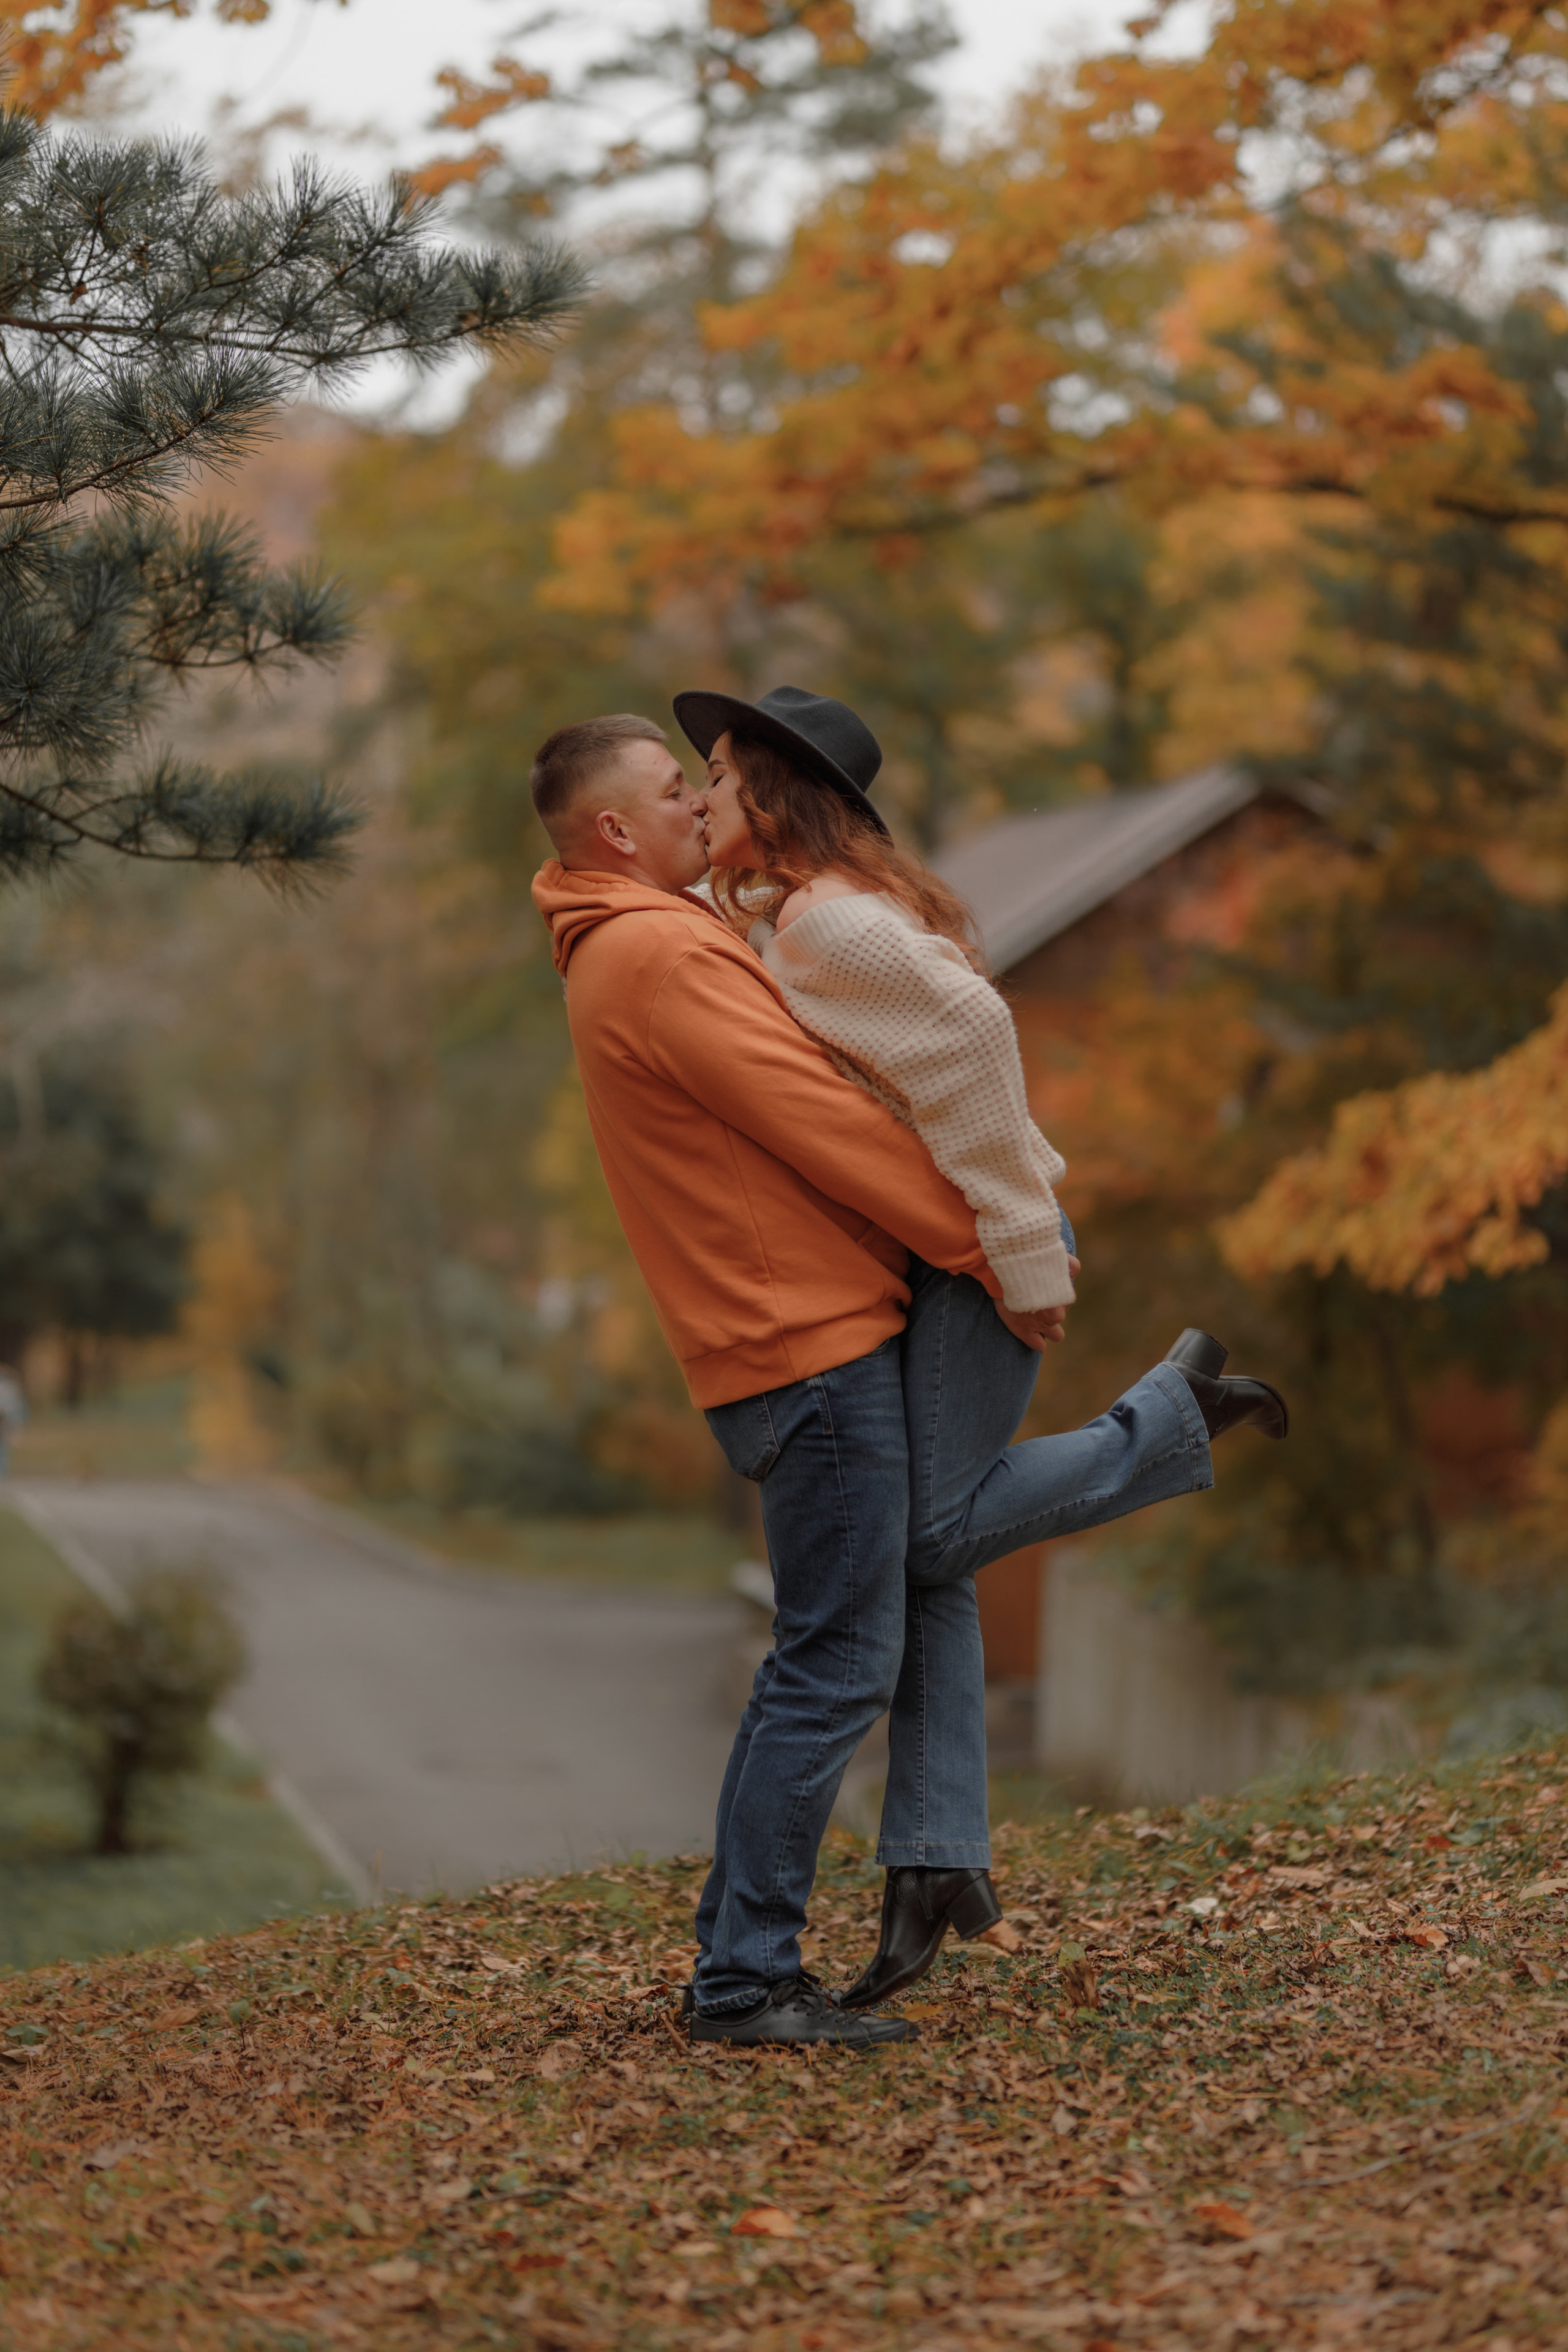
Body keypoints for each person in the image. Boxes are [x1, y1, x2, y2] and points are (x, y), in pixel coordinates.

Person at [529, 706, 1285, 2051]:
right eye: (675, 786)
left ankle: (911, 1867)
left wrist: (998, 1242)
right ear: (610, 829)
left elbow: (884, 1080)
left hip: (825, 1326)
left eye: (709, 780)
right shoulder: (654, 949)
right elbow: (818, 1121)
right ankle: (743, 1980)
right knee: (836, 1658)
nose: (697, 805)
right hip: (805, 1346)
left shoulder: (677, 934)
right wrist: (978, 1244)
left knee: (889, 1590)